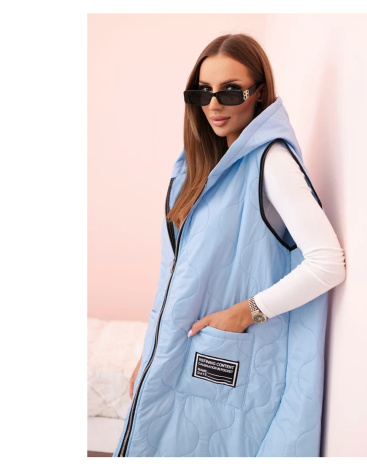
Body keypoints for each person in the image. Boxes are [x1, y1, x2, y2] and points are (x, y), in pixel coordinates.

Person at [113, 33, 346, 458]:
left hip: (229, 366)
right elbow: (174, 279)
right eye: (203, 92)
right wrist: (152, 355)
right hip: (181, 355)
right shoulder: (196, 169)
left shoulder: (271, 162)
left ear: (260, 94)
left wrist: (243, 313)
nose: (214, 105)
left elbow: (327, 263)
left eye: (231, 91)